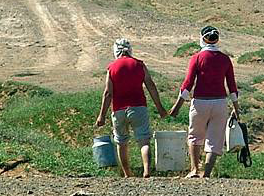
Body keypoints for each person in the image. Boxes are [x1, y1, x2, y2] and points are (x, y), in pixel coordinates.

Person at [169, 26, 239, 178]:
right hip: (220, 103)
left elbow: (188, 84)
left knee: (195, 136)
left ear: (202, 39)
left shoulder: (197, 58)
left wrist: (177, 106)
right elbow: (232, 87)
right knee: (215, 140)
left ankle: (194, 170)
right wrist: (237, 108)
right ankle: (206, 174)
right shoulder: (225, 59)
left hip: (200, 102)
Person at [96, 38, 167, 178]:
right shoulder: (139, 65)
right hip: (138, 107)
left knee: (121, 142)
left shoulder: (112, 68)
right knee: (144, 141)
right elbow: (150, 85)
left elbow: (108, 93)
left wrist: (101, 115)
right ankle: (146, 171)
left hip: (119, 109)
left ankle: (127, 173)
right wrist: (160, 108)